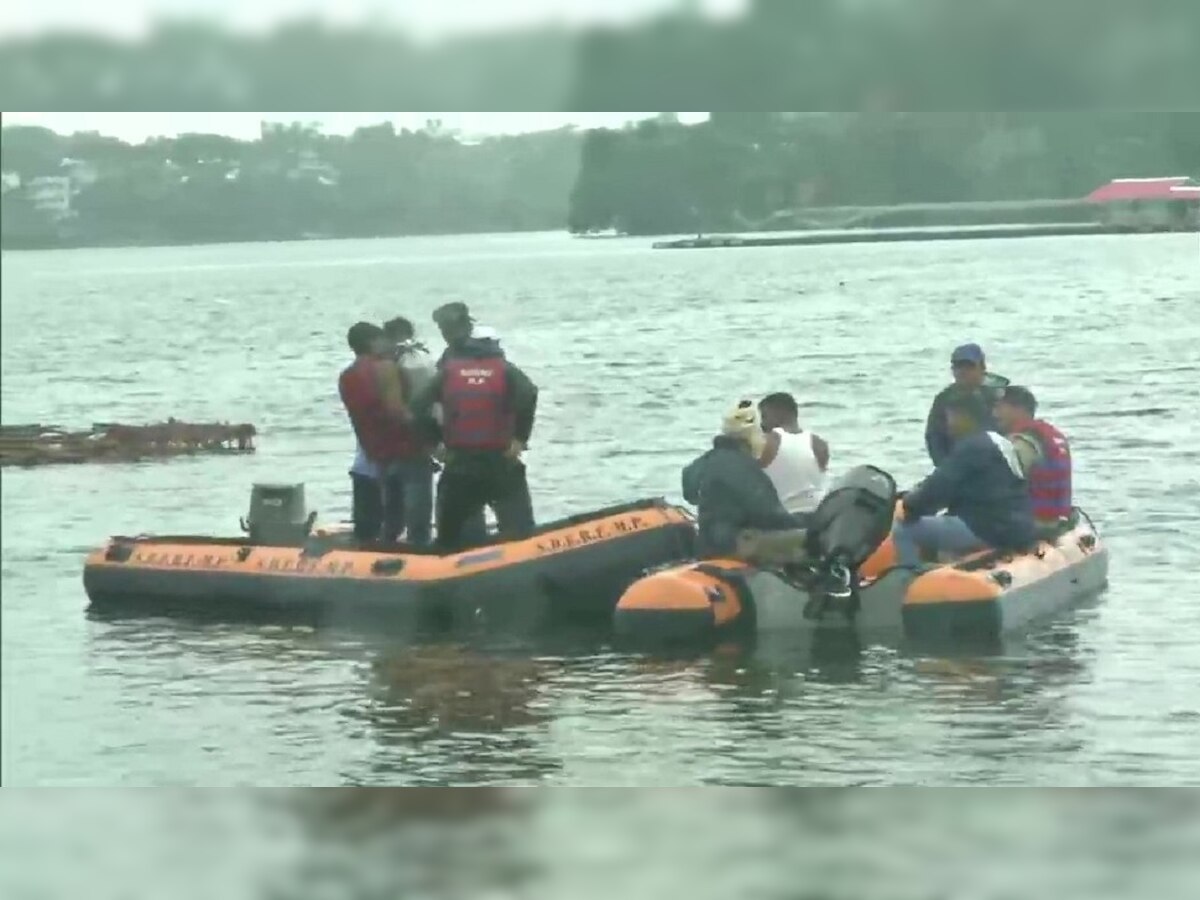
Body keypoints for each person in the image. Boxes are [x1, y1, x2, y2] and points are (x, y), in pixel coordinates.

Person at [409, 302, 538, 551]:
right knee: (522, 535)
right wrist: (520, 438)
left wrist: (434, 442)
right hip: (502, 461)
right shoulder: (502, 367)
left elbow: (416, 407)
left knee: (451, 541)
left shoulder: (446, 370)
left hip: (460, 463)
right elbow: (529, 393)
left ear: (445, 331)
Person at [895, 391, 1035, 568]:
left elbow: (937, 488)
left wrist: (909, 506)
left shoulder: (971, 447)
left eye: (950, 417)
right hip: (1016, 525)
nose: (948, 425)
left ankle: (907, 583)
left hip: (988, 528)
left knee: (904, 529)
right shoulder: (999, 442)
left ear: (964, 416)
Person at [681, 401, 810, 564]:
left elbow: (689, 492)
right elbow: (771, 517)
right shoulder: (746, 469)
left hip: (705, 546)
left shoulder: (703, 462)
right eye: (761, 432)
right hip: (733, 548)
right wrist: (808, 520)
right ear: (750, 435)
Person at [993, 385, 1073, 532]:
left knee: (941, 531)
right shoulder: (1052, 434)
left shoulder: (1024, 441)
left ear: (1019, 409)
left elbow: (997, 480)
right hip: (1054, 519)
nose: (994, 414)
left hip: (1031, 523)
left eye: (1000, 408)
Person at [925, 343, 1011, 466]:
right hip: (957, 466)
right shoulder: (944, 399)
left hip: (995, 466)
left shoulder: (998, 395)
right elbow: (934, 438)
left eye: (969, 366)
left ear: (982, 367)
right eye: (958, 366)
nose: (963, 371)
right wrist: (946, 468)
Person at [757, 392, 830, 515]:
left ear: (778, 414)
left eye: (764, 416)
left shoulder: (769, 441)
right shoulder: (819, 444)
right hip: (817, 512)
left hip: (784, 515)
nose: (761, 424)